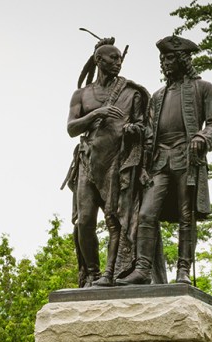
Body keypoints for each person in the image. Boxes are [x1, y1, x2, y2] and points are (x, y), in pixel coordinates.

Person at [117, 35, 212, 286]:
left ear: (183, 60)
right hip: (159, 162)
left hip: (187, 159)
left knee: (187, 216)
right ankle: (143, 269)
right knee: (146, 214)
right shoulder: (158, 95)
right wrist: (137, 139)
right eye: (162, 59)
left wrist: (202, 137)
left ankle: (183, 270)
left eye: (169, 58)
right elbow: (150, 132)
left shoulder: (203, 88)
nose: (164, 63)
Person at [63, 37, 150, 287]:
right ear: (98, 60)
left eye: (120, 58)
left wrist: (134, 129)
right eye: (113, 58)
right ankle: (91, 274)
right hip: (88, 161)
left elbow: (144, 126)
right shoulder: (81, 94)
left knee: (116, 221)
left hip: (117, 163)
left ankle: (111, 274)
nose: (118, 62)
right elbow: (71, 129)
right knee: (85, 221)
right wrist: (96, 114)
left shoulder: (131, 92)